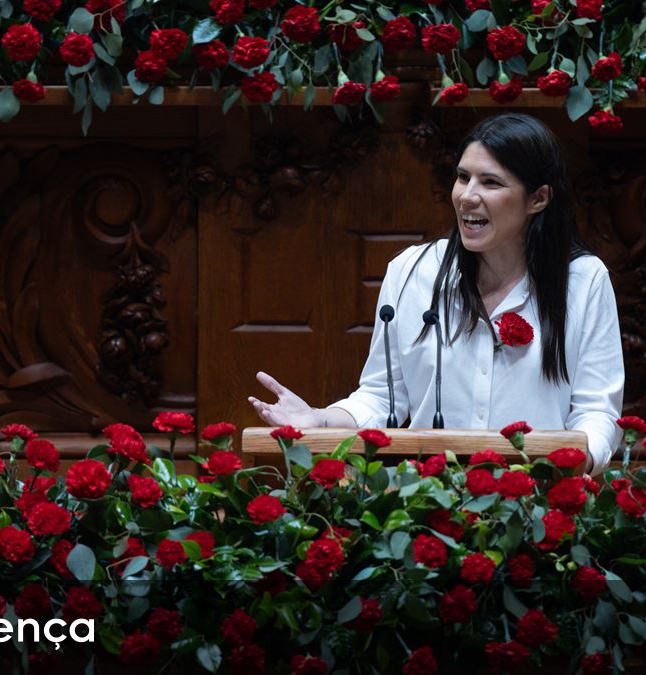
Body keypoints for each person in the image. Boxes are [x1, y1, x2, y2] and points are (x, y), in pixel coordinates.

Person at [247, 113, 624, 473]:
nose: (466, 196)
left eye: (490, 183)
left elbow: (597, 411)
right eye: (462, 177)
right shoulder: (412, 272)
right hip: (430, 502)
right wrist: (319, 419)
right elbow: (381, 398)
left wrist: (576, 461)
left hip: (537, 499)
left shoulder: (583, 281)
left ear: (538, 199)